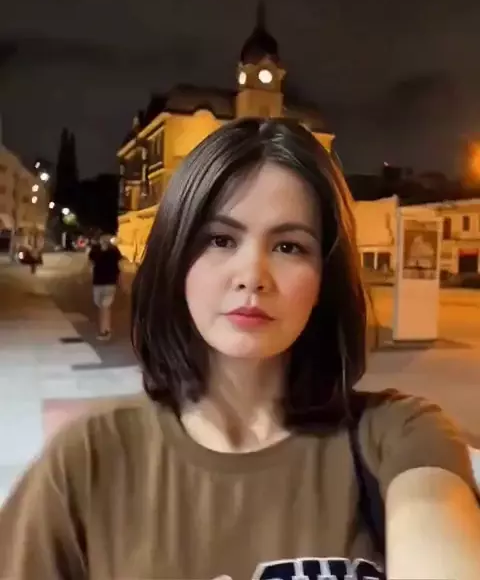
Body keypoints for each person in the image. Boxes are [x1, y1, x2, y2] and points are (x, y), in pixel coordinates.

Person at [0, 118, 479, 580]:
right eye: (220, 239)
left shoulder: (398, 436)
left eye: (289, 246)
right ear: (176, 260)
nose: (252, 275)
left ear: (325, 277)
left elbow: (436, 525)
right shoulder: (88, 460)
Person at [88, 233, 123, 340]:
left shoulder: (114, 251)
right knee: (101, 306)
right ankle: (105, 329)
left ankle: (105, 331)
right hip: (98, 283)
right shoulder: (95, 250)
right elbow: (90, 263)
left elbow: (119, 267)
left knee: (105, 306)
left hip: (109, 283)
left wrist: (121, 281)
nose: (105, 241)